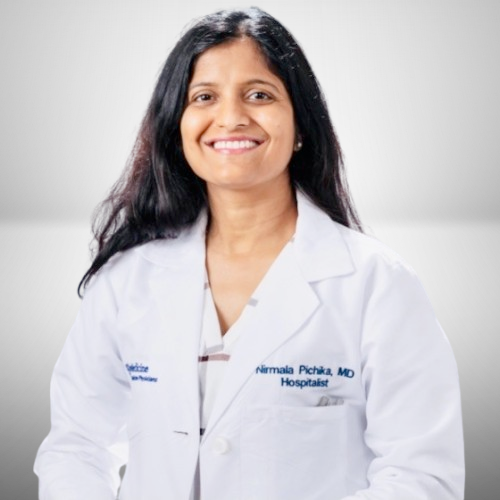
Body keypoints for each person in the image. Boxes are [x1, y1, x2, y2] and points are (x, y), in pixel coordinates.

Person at [34, 7, 465, 500]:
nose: (231, 117)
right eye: (204, 97)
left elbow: (420, 477)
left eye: (259, 94)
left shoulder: (376, 284)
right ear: (177, 125)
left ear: (300, 126)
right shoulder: (126, 280)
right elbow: (77, 447)